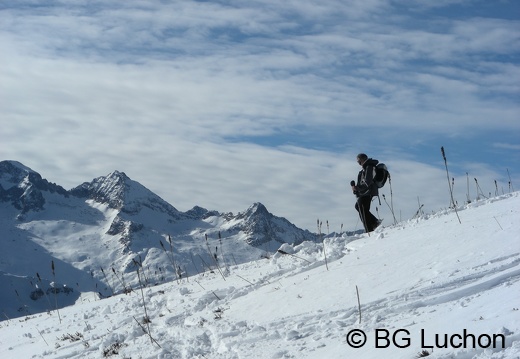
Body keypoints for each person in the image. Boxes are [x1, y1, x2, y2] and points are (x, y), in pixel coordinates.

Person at [351, 153, 381, 233]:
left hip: (368, 192)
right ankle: (374, 223)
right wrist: (356, 189)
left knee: (362, 209)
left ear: (363, 159)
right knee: (359, 207)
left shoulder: (369, 167)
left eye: (359, 161)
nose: (358, 163)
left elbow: (367, 182)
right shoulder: (366, 168)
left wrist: (357, 188)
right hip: (365, 192)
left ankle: (369, 230)